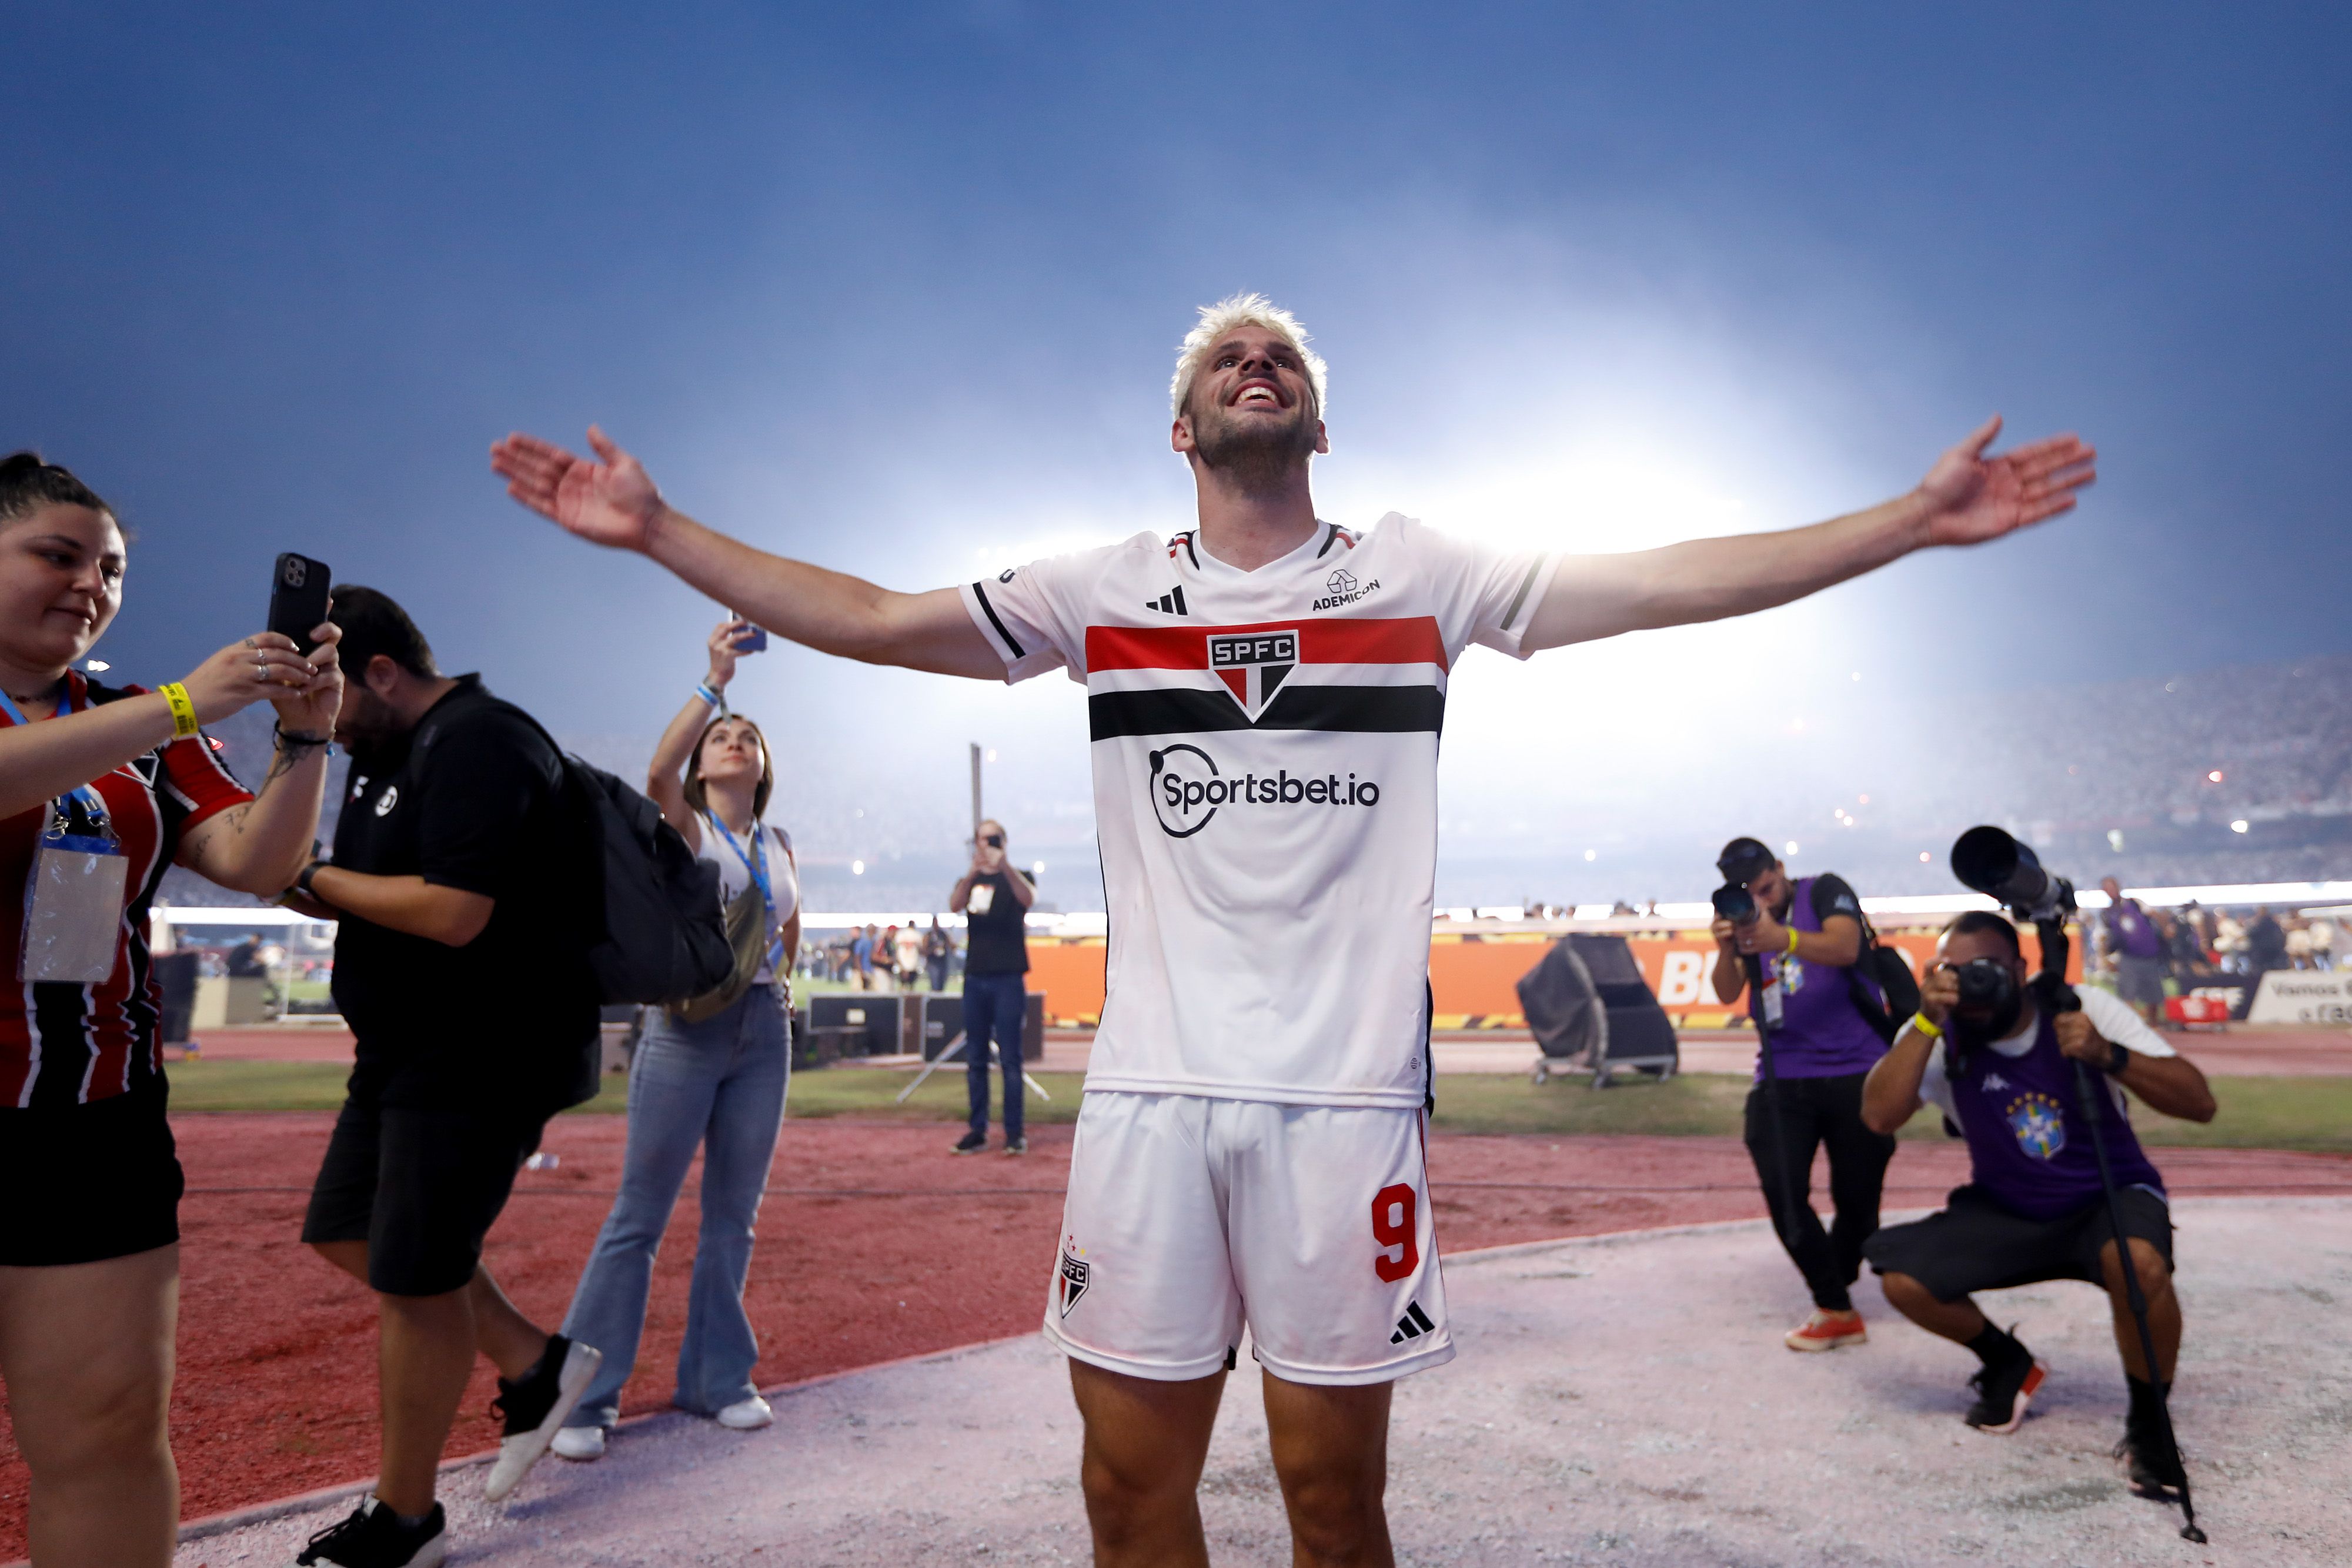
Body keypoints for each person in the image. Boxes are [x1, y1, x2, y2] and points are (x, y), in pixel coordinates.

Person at [493, 291, 2095, 1565]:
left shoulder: (1419, 572)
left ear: (1317, 415)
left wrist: (1902, 520)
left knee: (1337, 1516)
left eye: (1281, 356)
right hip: (1149, 1101)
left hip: (1343, 1111)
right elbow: (881, 616)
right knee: (1128, 1503)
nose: (1255, 365)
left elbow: (1668, 580)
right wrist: (661, 529)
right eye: (1223, 358)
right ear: (1178, 425)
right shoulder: (1103, 588)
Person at [0, 453, 341, 1568]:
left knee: (105, 1432)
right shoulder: (155, 712)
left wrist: (303, 741)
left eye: (111, 570)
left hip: (89, 1122)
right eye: (57, 555)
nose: (90, 585)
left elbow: (253, 860)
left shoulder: (130, 717)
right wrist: (186, 700)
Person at [286, 587, 604, 1568]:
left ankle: (406, 1518)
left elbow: (456, 911)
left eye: (326, 703)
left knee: (415, 1275)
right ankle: (536, 1362)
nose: (323, 732)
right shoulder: (385, 753)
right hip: (402, 1050)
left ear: (378, 672)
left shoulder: (478, 740)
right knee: (347, 1228)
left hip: (480, 1049)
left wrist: (306, 879)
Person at [553, 618, 799, 1463]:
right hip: (686, 1028)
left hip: (765, 1030)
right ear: (703, 764)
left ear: (763, 767)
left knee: (735, 1218)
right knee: (639, 1215)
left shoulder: (779, 841)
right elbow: (656, 769)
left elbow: (780, 921)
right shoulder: (687, 827)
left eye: (747, 737)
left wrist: (784, 982)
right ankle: (582, 1396)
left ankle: (717, 1377)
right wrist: (715, 682)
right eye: (722, 736)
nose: (735, 741)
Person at [1860, 912, 2216, 1497]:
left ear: (2020, 971)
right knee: (1901, 1279)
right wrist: (1924, 1018)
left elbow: (2200, 1103)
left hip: (2107, 1195)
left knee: (2139, 1264)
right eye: (1955, 970)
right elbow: (1877, 1116)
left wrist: (2108, 1056)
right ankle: (2006, 1363)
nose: (1973, 985)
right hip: (2008, 1208)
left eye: (1987, 971)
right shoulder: (1938, 1027)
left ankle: (2150, 1424)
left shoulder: (2079, 1008)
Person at [1708, 840, 1897, 1352]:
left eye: (1766, 887)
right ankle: (1835, 1305)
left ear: (1782, 872)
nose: (1760, 900)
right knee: (1784, 1191)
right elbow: (1726, 992)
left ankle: (1836, 1274)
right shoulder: (1744, 920)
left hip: (1858, 1070)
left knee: (1858, 1204)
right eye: (1749, 893)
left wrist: (1779, 936)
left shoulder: (1825, 891)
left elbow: (1845, 947)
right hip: (1781, 1074)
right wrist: (1730, 945)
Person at [950, 819, 1035, 1155]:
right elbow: (954, 904)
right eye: (980, 840)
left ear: (1004, 841)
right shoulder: (970, 881)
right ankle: (978, 1130)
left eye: (992, 839)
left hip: (1009, 978)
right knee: (975, 1059)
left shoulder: (1019, 875)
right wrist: (973, 873)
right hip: (976, 977)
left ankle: (1014, 1132)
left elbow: (1027, 898)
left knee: (1011, 1060)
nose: (984, 845)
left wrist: (1005, 867)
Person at [2100, 877, 2167, 1026]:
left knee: (2153, 995)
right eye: (2107, 889)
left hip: (2149, 954)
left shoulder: (2134, 903)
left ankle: (2153, 1025)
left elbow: (2155, 915)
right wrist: (2105, 958)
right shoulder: (2107, 913)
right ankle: (2132, 1027)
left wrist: (2165, 931)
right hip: (2128, 956)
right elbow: (2106, 937)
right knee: (2127, 992)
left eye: (2112, 887)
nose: (2111, 891)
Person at [893, 918, 926, 992]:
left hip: (909, 962)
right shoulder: (915, 935)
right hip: (907, 962)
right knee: (907, 985)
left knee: (907, 985)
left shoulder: (902, 934)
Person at [924, 914, 954, 992]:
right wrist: (933, 949)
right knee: (935, 983)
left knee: (942, 982)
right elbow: (925, 949)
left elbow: (950, 945)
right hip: (933, 962)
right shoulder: (929, 935)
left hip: (942, 962)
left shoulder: (943, 934)